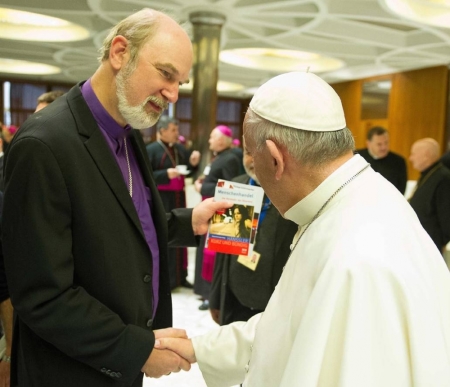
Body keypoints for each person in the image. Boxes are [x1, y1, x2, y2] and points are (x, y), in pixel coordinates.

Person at [155, 71, 450, 387]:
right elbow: (292, 326)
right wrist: (201, 347)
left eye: (253, 157)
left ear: (275, 159)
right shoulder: (366, 196)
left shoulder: (355, 259)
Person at [2, 9, 231, 387]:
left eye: (181, 83)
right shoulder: (44, 144)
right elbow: (42, 295)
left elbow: (120, 223)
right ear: (120, 52)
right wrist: (136, 349)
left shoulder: (129, 128)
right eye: (166, 74)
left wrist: (187, 222)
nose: (173, 95)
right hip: (68, 372)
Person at [209, 151, 297, 325]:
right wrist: (216, 298)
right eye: (248, 152)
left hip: (275, 307)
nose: (254, 159)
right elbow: (223, 252)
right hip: (235, 300)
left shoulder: (294, 193)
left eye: (261, 152)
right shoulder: (235, 187)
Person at [146, 115, 201, 289]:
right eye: (173, 130)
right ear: (162, 131)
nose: (177, 133)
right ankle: (166, 281)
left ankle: (180, 277)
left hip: (179, 197)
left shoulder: (179, 149)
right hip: (162, 200)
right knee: (166, 236)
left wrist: (193, 164)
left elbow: (189, 172)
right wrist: (164, 175)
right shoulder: (151, 149)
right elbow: (145, 176)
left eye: (177, 130)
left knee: (182, 233)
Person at [193, 125, 241, 310]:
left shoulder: (229, 158)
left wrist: (202, 188)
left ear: (221, 140)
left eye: (212, 137)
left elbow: (231, 188)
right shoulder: (221, 156)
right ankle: (205, 292)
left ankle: (210, 295)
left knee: (212, 254)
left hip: (219, 213)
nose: (209, 140)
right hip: (209, 210)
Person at [408, 138, 450, 253]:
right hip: (421, 242)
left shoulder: (443, 179)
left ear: (426, 155)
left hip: (431, 245)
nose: (410, 158)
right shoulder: (429, 174)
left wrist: (439, 243)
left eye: (413, 154)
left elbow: (447, 218)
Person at [357, 126, 407, 194]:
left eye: (386, 143)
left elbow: (400, 190)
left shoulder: (398, 161)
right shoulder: (356, 157)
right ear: (368, 144)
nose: (384, 147)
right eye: (379, 144)